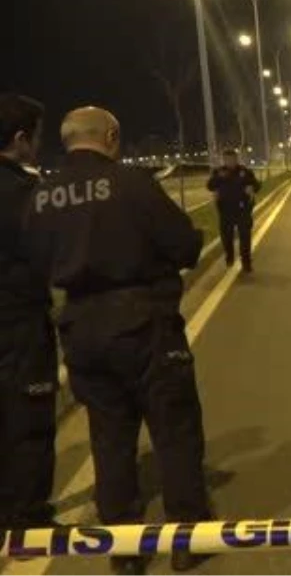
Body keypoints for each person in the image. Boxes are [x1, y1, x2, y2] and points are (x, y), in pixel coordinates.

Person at [22, 107, 213, 575]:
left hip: (81, 329)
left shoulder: (41, 197)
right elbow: (184, 246)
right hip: (143, 324)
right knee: (174, 428)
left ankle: (124, 547)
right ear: (110, 136)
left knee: (109, 437)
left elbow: (33, 262)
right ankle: (186, 534)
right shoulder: (131, 185)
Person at [0, 94, 58, 532]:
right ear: (20, 139)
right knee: (29, 420)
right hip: (19, 325)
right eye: (36, 137)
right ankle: (30, 521)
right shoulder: (23, 193)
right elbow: (51, 254)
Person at [206, 149, 260, 273]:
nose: (230, 162)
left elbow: (257, 185)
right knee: (227, 237)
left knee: (245, 237)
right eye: (227, 159)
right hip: (225, 211)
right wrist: (218, 178)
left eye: (232, 159)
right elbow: (209, 186)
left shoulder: (245, 172)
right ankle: (229, 256)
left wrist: (252, 187)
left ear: (236, 159)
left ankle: (246, 262)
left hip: (243, 210)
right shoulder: (218, 172)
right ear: (223, 160)